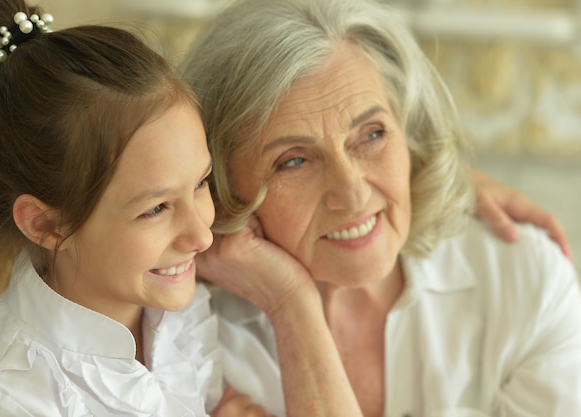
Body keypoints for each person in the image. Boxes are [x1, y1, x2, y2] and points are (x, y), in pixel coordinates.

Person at [180, 0, 581, 415]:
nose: (352, 193)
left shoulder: (521, 280)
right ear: (220, 183)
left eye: (372, 135)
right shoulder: (184, 339)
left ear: (408, 132)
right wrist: (291, 304)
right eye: (294, 161)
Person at [0, 1, 274, 416]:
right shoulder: (5, 400)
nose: (202, 236)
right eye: (156, 208)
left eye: (200, 183)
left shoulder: (182, 307)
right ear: (46, 223)